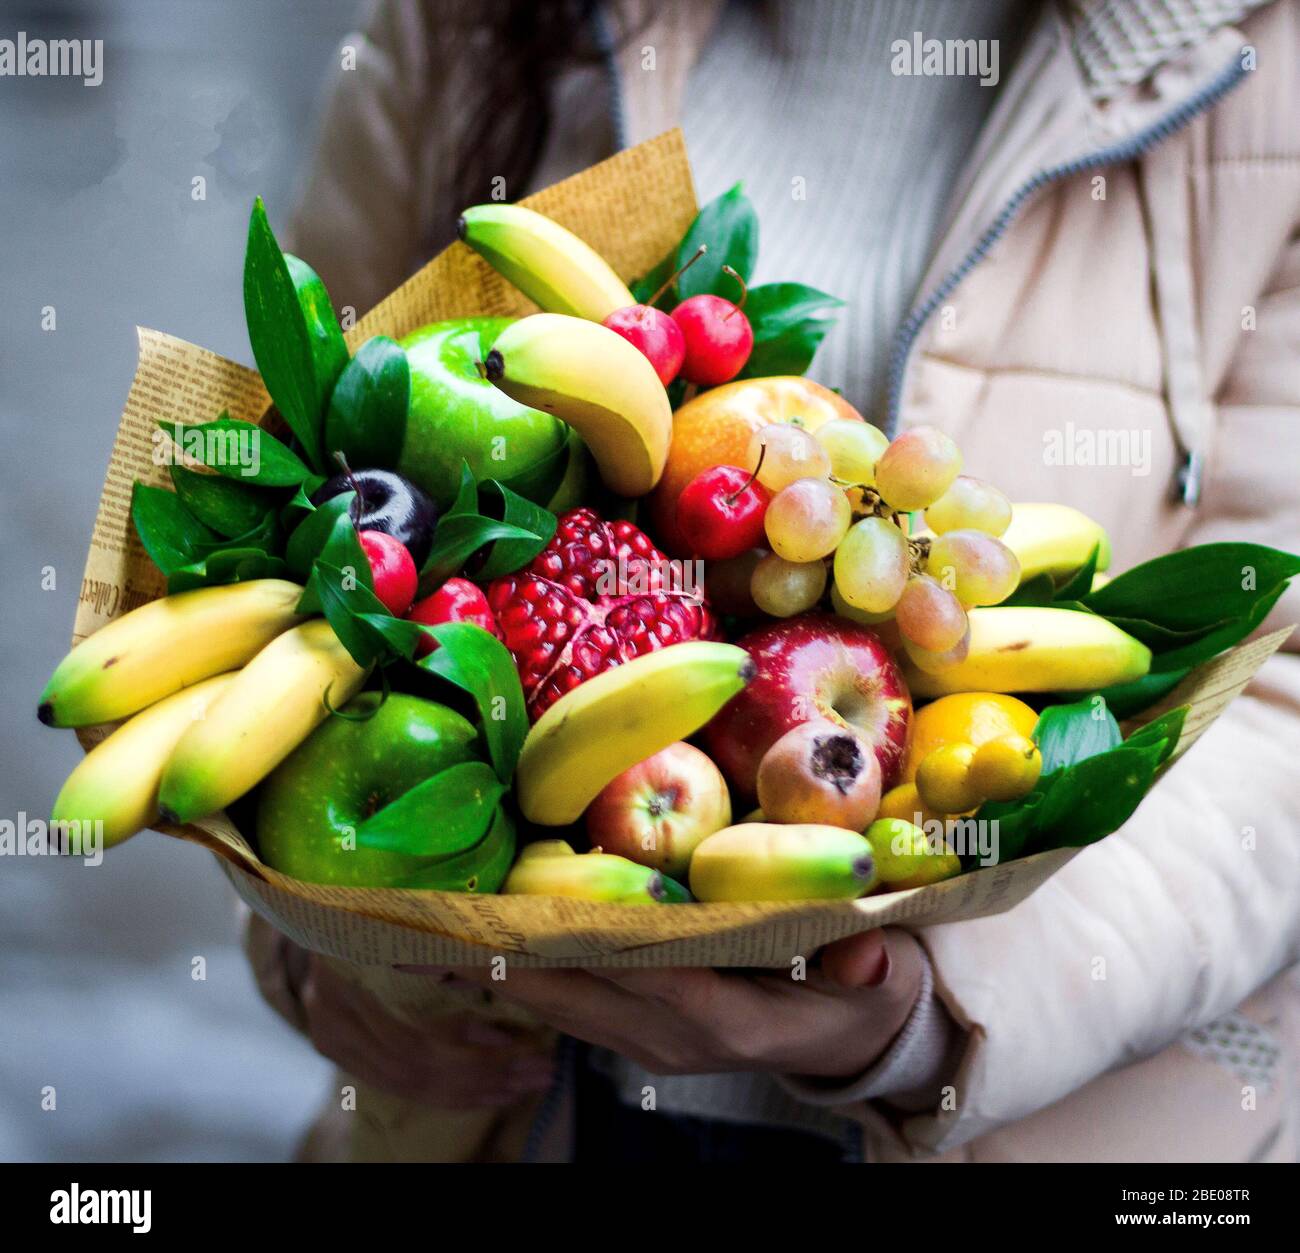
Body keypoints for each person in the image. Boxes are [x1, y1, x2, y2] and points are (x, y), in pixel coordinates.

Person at [243, 0, 1300, 1162]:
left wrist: (931, 1018)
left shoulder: (1267, 68)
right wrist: (311, 948)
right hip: (499, 1112)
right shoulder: (470, 21)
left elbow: (1280, 690)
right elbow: (294, 511)